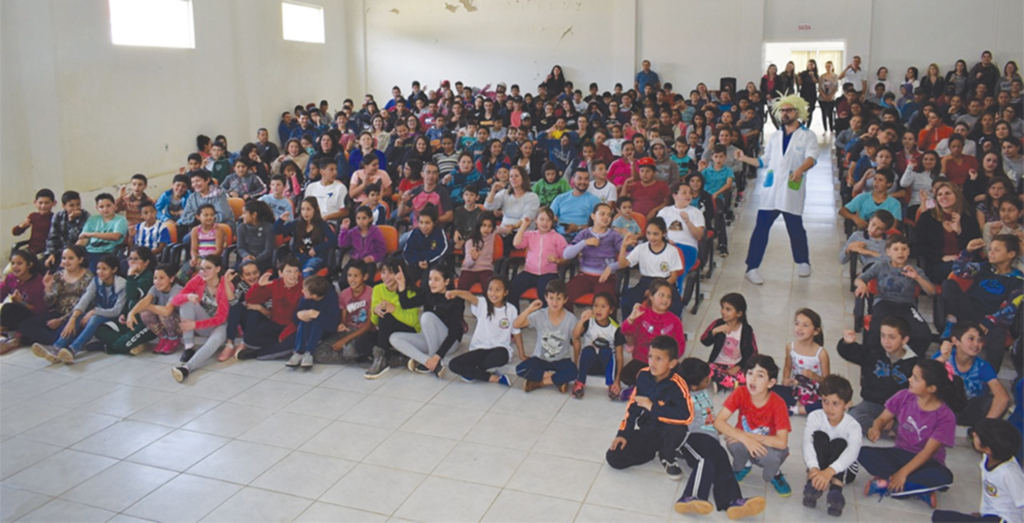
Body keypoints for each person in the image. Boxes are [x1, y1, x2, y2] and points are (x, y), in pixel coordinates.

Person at [734, 95, 820, 284]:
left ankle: (803, 261)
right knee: (761, 229)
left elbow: (812, 157)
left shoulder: (807, 135)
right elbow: (764, 161)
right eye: (782, 110)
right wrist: (744, 158)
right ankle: (752, 267)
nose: (785, 114)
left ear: (797, 112)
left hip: (791, 189)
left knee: (795, 228)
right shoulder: (775, 136)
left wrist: (800, 169)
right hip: (771, 191)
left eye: (789, 110)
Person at [858, 359, 966, 508]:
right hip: (900, 453)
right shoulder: (904, 396)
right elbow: (882, 418)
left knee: (945, 478)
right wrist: (876, 427)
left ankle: (890, 484)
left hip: (926, 461)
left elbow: (928, 452)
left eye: (916, 378)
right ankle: (917, 489)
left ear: (931, 388)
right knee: (862, 453)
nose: (909, 379)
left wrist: (902, 474)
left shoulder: (945, 416)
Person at [673, 358, 767, 520]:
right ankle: (691, 496)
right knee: (704, 461)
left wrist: (724, 430)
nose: (709, 379)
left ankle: (733, 500)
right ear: (694, 385)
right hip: (691, 438)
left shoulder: (702, 392)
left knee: (723, 464)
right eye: (706, 379)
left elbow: (709, 416)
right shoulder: (682, 400)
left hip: (711, 438)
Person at [606, 335, 691, 479]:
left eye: (659, 359)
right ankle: (654, 450)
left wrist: (653, 407)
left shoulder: (679, 384)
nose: (652, 363)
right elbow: (632, 408)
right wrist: (623, 434)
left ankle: (668, 456)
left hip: (669, 431)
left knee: (677, 430)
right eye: (650, 357)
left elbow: (686, 416)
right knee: (614, 457)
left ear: (672, 363)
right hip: (648, 430)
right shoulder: (643, 375)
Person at [713, 354, 794, 497]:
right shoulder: (740, 392)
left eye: (760, 375)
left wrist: (747, 436)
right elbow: (719, 422)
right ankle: (745, 465)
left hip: (768, 445)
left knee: (771, 458)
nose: (753, 379)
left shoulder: (778, 403)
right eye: (750, 373)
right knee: (733, 442)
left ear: (771, 382)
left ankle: (775, 474)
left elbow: (782, 442)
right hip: (744, 441)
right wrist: (744, 439)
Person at [940, 235, 1022, 371]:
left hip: (990, 319)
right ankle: (952, 321)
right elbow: (958, 271)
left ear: (1011, 254)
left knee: (998, 333)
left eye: (997, 250)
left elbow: (1011, 307)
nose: (991, 253)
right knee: (949, 284)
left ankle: (989, 378)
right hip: (969, 311)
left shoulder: (1018, 280)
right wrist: (968, 252)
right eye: (990, 249)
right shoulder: (984, 268)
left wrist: (990, 320)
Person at [32, 255, 125, 364]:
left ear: (114, 270)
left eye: (104, 269)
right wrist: (73, 318)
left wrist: (94, 311)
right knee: (79, 315)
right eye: (98, 268)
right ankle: (56, 347)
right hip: (98, 313)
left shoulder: (122, 285)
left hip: (115, 317)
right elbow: (85, 299)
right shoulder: (96, 281)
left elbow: (117, 310)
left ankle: (72, 349)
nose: (100, 272)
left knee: (94, 318)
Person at [855, 234, 936, 356]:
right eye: (896, 249)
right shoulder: (881, 265)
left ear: (908, 252)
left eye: (904, 249)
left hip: (907, 305)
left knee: (923, 335)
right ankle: (875, 363)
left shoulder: (915, 270)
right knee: (877, 331)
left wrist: (917, 278)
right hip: (884, 303)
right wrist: (862, 284)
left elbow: (932, 291)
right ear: (888, 252)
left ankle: (908, 362)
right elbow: (860, 279)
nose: (900, 253)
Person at [931, 419, 1023, 522]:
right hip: (990, 516)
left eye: (976, 436)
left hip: (1004, 520)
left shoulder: (1010, 473)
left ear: (987, 449)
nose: (973, 434)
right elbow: (994, 498)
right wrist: (983, 513)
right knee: (940, 517)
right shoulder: (988, 458)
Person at [838, 318, 919, 434]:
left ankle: (887, 429)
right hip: (872, 404)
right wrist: (847, 343)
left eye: (892, 337)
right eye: (883, 336)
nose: (886, 341)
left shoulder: (913, 363)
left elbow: (916, 394)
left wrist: (893, 417)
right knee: (852, 419)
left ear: (904, 339)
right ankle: (885, 430)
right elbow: (850, 352)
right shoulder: (874, 351)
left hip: (899, 410)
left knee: (915, 429)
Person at [801, 375, 862, 517]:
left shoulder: (853, 426)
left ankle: (836, 488)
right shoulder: (815, 416)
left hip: (844, 469)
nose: (829, 408)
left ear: (847, 404)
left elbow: (852, 452)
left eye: (835, 403)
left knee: (840, 443)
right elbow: (807, 443)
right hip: (820, 464)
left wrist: (829, 472)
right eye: (825, 401)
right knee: (819, 437)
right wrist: (814, 467)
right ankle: (814, 482)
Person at [446, 275, 521, 386]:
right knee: (453, 364)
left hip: (499, 350)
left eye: (498, 290)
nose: (493, 293)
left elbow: (516, 332)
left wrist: (522, 354)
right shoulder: (482, 304)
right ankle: (493, 378)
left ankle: (475, 371)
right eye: (490, 289)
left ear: (505, 292)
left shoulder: (511, 309)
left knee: (502, 355)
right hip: (479, 349)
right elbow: (470, 296)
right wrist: (456, 292)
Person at [390, 265, 463, 377]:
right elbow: (406, 304)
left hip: (450, 343)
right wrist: (401, 285)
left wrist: (438, 355)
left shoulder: (456, 300)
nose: (431, 283)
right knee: (394, 338)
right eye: (430, 279)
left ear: (447, 282)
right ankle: (428, 362)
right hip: (430, 339)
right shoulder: (427, 293)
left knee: (427, 316)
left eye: (436, 279)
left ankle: (434, 358)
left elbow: (454, 333)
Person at [934, 322, 1010, 426]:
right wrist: (942, 359)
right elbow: (924, 376)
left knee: (992, 401)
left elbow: (1003, 397)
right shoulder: (943, 356)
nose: (976, 344)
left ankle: (981, 428)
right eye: (971, 339)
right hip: (943, 408)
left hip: (969, 411)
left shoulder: (983, 366)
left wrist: (984, 427)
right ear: (955, 340)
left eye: (980, 340)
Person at [18, 247, 91, 354]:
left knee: (64, 332)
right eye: (64, 258)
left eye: (71, 258)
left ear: (80, 260)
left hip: (75, 316)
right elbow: (50, 303)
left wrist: (62, 320)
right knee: (24, 325)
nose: (66, 262)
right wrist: (48, 288)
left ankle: (53, 341)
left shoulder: (88, 277)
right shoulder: (58, 276)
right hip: (57, 312)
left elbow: (86, 303)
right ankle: (52, 339)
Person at [514, 280, 578, 393]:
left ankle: (539, 382)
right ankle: (557, 379)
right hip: (540, 359)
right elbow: (516, 325)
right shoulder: (540, 315)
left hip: (561, 359)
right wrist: (529, 309)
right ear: (546, 298)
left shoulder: (571, 319)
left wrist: (576, 362)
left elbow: (576, 341)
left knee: (573, 372)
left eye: (559, 298)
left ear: (565, 300)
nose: (555, 302)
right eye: (551, 298)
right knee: (520, 369)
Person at [620, 279, 684, 391]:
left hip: (664, 363)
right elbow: (625, 331)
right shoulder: (641, 313)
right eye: (661, 295)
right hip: (642, 359)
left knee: (676, 377)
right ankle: (647, 388)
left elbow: (680, 344)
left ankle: (644, 389)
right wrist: (631, 319)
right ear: (651, 296)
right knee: (626, 375)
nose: (665, 299)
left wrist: (670, 360)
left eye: (668, 297)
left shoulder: (675, 320)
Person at [362, 258, 421, 378]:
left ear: (399, 274)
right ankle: (397, 358)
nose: (386, 276)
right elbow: (374, 322)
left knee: (387, 315)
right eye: (383, 272)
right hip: (386, 331)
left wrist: (394, 310)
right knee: (361, 343)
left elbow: (413, 322)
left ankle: (382, 359)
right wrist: (375, 311)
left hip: (408, 331)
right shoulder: (378, 289)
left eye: (391, 272)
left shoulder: (410, 292)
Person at [91, 247, 155, 355]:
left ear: (146, 262)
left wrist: (130, 276)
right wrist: (123, 313)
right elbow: (128, 299)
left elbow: (133, 295)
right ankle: (134, 342)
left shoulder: (148, 277)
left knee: (120, 345)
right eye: (130, 259)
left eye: (136, 259)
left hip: (144, 323)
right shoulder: (135, 275)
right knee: (100, 329)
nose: (132, 262)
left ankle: (109, 346)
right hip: (129, 321)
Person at [617, 217, 684, 318]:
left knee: (675, 307)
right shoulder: (641, 248)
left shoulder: (672, 251)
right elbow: (622, 264)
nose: (651, 237)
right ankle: (631, 328)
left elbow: (673, 277)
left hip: (665, 282)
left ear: (663, 233)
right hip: (645, 282)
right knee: (626, 301)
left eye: (655, 234)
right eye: (648, 233)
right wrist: (623, 247)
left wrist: (655, 290)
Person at [914, 181, 980, 282]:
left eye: (948, 193)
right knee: (957, 270)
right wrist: (942, 257)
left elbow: (976, 247)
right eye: (940, 194)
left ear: (957, 196)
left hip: (966, 263)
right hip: (938, 264)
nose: (943, 197)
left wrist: (959, 231)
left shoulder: (967, 218)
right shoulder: (927, 218)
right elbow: (919, 246)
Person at [563, 202, 623, 311]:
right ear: (593, 216)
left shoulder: (614, 235)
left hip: (605, 277)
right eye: (602, 214)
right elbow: (566, 254)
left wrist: (612, 267)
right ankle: (572, 326)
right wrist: (584, 243)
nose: (606, 218)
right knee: (563, 297)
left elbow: (627, 258)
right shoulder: (584, 234)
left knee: (606, 303)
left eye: (609, 215)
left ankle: (607, 328)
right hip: (585, 275)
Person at [314, 261, 375, 364]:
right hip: (348, 330)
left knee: (349, 351)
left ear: (365, 277)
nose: (352, 279)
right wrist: (341, 326)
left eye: (356, 276)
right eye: (349, 275)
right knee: (318, 353)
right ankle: (355, 358)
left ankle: (353, 354)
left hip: (363, 332)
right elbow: (344, 319)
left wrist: (344, 340)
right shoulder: (344, 294)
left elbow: (368, 326)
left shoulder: (371, 293)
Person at [773, 308, 829, 416]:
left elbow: (827, 382)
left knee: (826, 404)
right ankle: (797, 404)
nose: (799, 328)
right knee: (769, 388)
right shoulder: (791, 347)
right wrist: (786, 380)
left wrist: (814, 376)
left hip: (814, 392)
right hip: (795, 387)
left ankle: (798, 408)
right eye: (797, 324)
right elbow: (788, 367)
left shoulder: (821, 353)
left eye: (805, 325)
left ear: (816, 331)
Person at [508, 208, 567, 309]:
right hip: (529, 271)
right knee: (511, 289)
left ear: (552, 222)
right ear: (536, 221)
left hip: (548, 273)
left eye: (548, 220)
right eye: (542, 219)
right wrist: (524, 226)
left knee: (544, 295)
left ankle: (543, 321)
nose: (545, 223)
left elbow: (566, 257)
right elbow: (516, 244)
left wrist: (557, 261)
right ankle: (515, 319)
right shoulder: (530, 235)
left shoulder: (558, 238)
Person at [571, 292, 625, 400]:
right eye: (595, 306)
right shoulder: (589, 322)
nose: (598, 310)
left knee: (606, 351)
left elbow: (619, 357)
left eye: (603, 306)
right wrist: (582, 320)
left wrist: (617, 380)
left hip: (606, 367)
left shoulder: (615, 329)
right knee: (588, 350)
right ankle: (580, 382)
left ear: (611, 310)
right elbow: (575, 336)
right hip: (590, 364)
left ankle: (611, 385)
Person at [701, 293, 759, 391]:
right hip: (718, 364)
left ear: (739, 313)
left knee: (753, 373)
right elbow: (704, 341)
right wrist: (714, 332)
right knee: (706, 369)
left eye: (728, 309)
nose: (723, 312)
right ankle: (732, 382)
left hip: (737, 365)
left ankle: (724, 382)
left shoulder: (746, 330)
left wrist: (738, 366)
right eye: (722, 308)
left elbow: (752, 353)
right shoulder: (718, 324)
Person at [283, 275, 339, 369]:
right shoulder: (305, 299)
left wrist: (318, 315)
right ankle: (299, 352)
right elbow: (295, 317)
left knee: (318, 323)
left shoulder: (331, 300)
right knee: (304, 320)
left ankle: (309, 353)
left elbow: (332, 324)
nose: (302, 292)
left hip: (325, 330)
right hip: (306, 327)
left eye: (305, 291)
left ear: (314, 295)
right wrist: (299, 315)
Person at [127, 264, 184, 355]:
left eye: (161, 278)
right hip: (166, 322)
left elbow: (167, 311)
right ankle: (164, 337)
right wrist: (131, 313)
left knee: (162, 313)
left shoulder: (176, 289)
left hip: (182, 325)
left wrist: (148, 305)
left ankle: (174, 340)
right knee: (145, 313)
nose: (157, 281)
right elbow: (145, 300)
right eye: (155, 278)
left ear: (171, 279)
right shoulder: (155, 288)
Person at [274, 197, 334, 277]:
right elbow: (277, 231)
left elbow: (334, 240)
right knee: (285, 274)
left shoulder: (321, 224)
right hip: (298, 256)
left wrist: (317, 249)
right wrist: (281, 220)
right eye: (303, 209)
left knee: (306, 273)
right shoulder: (297, 223)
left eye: (308, 209)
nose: (305, 212)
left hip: (316, 257)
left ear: (315, 210)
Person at [0, 250, 46, 353]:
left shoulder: (38, 282)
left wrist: (22, 303)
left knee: (11, 308)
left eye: (19, 264)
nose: (15, 267)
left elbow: (40, 310)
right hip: (17, 314)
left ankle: (16, 340)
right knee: (7, 308)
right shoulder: (11, 278)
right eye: (13, 263)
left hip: (33, 316)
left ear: (29, 265)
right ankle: (3, 336)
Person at [657, 181, 705, 276]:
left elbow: (699, 236)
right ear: (675, 195)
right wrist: (666, 241)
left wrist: (688, 222)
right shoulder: (664, 211)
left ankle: (675, 288)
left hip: (687, 247)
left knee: (676, 269)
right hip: (667, 245)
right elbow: (656, 231)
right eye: (684, 193)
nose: (688, 195)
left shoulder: (696, 212)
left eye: (690, 193)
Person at [78, 193, 128, 272]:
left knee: (93, 270)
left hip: (108, 252)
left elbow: (116, 236)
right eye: (101, 207)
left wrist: (92, 234)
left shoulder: (121, 220)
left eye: (108, 206)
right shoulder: (92, 219)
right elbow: (83, 239)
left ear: (115, 206)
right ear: (97, 208)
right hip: (90, 252)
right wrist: (71, 252)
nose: (105, 209)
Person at [177, 204, 225, 282]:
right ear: (198, 217)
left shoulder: (218, 230)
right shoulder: (195, 230)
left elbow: (219, 250)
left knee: (203, 270)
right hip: (200, 258)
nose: (209, 217)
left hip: (213, 258)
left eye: (212, 215)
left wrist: (204, 260)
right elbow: (194, 249)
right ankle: (185, 290)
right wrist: (194, 258)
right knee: (182, 273)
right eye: (206, 215)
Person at [43, 191, 89, 269]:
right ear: (64, 206)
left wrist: (72, 222)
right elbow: (52, 237)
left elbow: (75, 239)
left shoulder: (85, 216)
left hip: (78, 252)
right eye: (71, 205)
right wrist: (52, 253)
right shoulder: (58, 216)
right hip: (60, 251)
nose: (76, 208)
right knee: (47, 266)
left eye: (78, 204)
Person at [550, 169, 601, 236]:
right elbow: (548, 217)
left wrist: (578, 228)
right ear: (572, 180)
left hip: (585, 237)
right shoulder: (560, 198)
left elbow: (599, 224)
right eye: (579, 178)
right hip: (559, 236)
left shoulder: (595, 200)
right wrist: (553, 219)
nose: (583, 182)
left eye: (586, 179)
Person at [11, 189, 54, 256]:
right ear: (35, 203)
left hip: (46, 252)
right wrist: (21, 226)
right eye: (40, 203)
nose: (43, 206)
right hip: (31, 250)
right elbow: (15, 232)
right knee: (14, 264)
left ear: (53, 203)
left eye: (47, 203)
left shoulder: (55, 218)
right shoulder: (33, 216)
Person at [236, 200, 276, 272]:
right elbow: (240, 247)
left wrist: (255, 259)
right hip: (245, 259)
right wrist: (247, 256)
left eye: (245, 213)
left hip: (263, 260)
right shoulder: (241, 227)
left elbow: (269, 250)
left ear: (254, 215)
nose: (242, 216)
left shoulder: (268, 227)